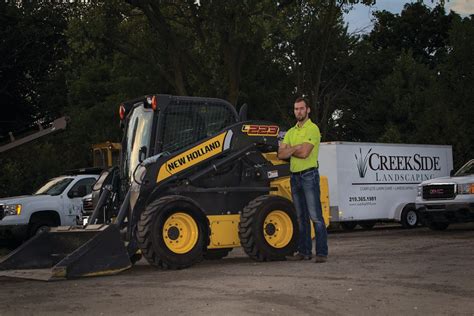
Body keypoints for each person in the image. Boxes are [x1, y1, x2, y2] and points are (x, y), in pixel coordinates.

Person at [277, 97, 328, 263]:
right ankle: (304, 252)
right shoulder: (291, 131)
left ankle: (321, 253)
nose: (298, 111)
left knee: (316, 217)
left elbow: (305, 153)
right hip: (294, 177)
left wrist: (290, 150)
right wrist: (296, 148)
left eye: (301, 108)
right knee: (301, 217)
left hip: (309, 176)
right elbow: (280, 154)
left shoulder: (312, 129)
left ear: (308, 110)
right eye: (296, 109)